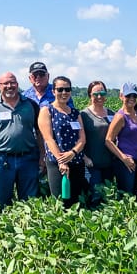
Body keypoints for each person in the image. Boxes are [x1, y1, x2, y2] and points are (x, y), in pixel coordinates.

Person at [0, 72, 43, 209]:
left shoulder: (31, 105)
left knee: (30, 203)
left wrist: (42, 157)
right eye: (5, 83)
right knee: (1, 203)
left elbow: (40, 133)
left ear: (17, 85)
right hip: (2, 160)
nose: (9, 86)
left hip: (28, 159)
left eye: (12, 82)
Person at [38, 76, 87, 207]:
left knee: (76, 201)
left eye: (67, 89)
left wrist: (73, 152)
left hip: (76, 161)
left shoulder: (75, 113)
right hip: (57, 163)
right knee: (61, 200)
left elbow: (82, 139)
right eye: (60, 89)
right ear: (53, 91)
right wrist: (62, 161)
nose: (64, 93)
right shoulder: (47, 110)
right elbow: (48, 138)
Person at [105, 82, 137, 200]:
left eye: (134, 96)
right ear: (121, 96)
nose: (132, 99)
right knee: (127, 197)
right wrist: (123, 158)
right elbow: (108, 140)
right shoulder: (120, 117)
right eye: (128, 96)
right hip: (127, 163)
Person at [80, 80, 116, 206]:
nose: (99, 97)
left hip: (109, 164)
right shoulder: (84, 115)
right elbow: (78, 139)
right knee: (95, 197)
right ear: (90, 95)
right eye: (95, 94)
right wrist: (84, 158)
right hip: (91, 165)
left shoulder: (112, 114)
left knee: (108, 198)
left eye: (102, 93)